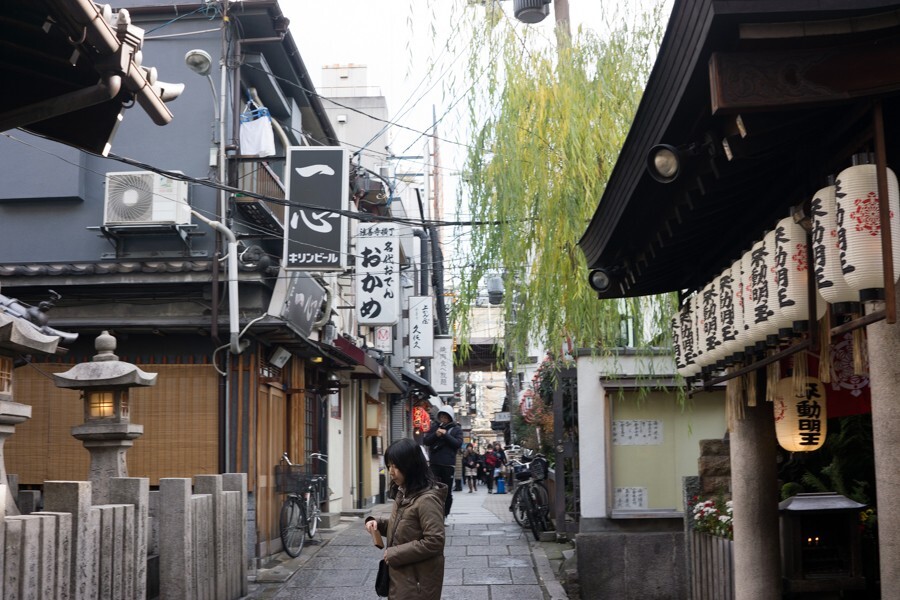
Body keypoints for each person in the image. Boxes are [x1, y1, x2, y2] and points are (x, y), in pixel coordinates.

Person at [365, 438, 447, 600]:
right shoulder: (404, 492)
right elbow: (405, 526)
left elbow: (435, 541)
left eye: (396, 466)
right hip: (403, 578)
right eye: (389, 466)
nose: (391, 472)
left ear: (411, 466)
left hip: (417, 583)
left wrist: (395, 553)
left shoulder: (427, 500)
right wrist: (378, 523)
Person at [423, 405, 463, 517]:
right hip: (434, 463)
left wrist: (445, 435)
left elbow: (457, 444)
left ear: (450, 418)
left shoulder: (456, 429)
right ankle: (434, 514)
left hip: (448, 465)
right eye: (441, 417)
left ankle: (445, 514)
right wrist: (436, 435)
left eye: (446, 417)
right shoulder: (434, 427)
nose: (443, 419)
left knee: (447, 491)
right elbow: (426, 441)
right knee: (432, 490)